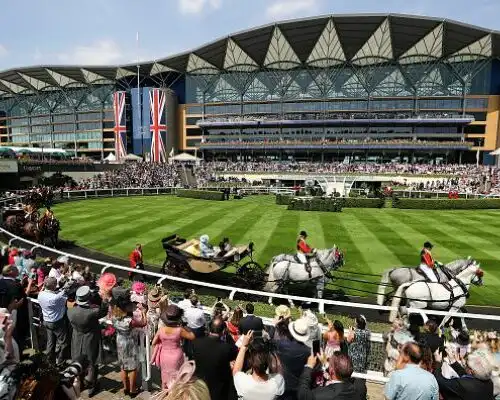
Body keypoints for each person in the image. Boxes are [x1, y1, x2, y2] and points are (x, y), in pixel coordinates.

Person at [67, 285, 110, 397]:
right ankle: (91, 387)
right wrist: (105, 299)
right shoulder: (93, 312)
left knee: (77, 361)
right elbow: (104, 311)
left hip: (77, 338)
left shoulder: (70, 311)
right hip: (90, 339)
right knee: (92, 363)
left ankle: (79, 383)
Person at [111, 288, 147, 397]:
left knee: (123, 366)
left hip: (120, 340)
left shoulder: (113, 316)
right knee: (132, 367)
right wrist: (144, 312)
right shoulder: (129, 321)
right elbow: (143, 323)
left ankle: (125, 388)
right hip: (130, 343)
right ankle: (132, 390)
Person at [191, 317, 238, 400]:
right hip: (218, 389)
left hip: (199, 386)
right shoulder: (226, 348)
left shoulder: (196, 343)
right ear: (223, 331)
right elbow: (234, 353)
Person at [152, 304, 195, 389]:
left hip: (164, 355)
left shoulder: (161, 329)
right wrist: (186, 327)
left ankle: (164, 392)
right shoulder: (180, 330)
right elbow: (192, 336)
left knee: (164, 375)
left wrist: (160, 344)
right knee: (175, 377)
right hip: (176, 355)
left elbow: (153, 342)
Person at [233, 330, 285, 400]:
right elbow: (279, 370)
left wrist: (243, 347)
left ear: (251, 362)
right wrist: (271, 349)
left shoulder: (243, 382)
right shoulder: (276, 384)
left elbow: (236, 371)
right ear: (268, 362)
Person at [298, 352, 362, 400]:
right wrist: (326, 364)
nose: (328, 362)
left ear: (332, 371)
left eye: (329, 362)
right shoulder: (359, 387)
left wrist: (308, 366)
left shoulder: (321, 395)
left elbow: (303, 395)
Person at [275, 318, 311, 400]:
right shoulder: (308, 351)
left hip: (281, 383)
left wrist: (275, 326)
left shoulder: (280, 344)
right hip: (296, 386)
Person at [37, 276, 68, 365]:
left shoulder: (41, 294)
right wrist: (64, 289)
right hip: (57, 322)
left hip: (46, 321)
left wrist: (61, 290)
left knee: (50, 343)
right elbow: (63, 301)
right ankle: (60, 362)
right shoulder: (56, 298)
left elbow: (56, 295)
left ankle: (50, 362)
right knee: (63, 343)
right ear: (54, 285)